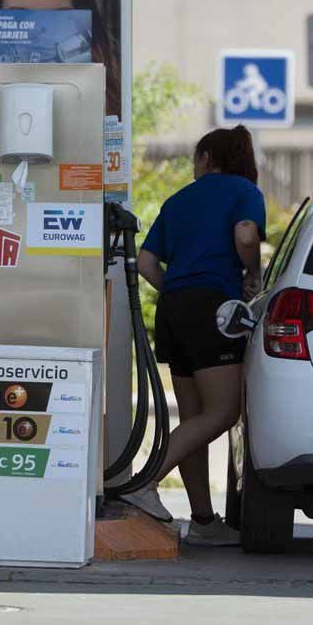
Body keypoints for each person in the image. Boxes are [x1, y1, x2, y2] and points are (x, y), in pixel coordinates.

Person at [123, 126, 265, 546]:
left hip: (172, 307)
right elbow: (245, 235)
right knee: (223, 412)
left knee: (194, 418)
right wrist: (253, 274)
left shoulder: (179, 199)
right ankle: (143, 484)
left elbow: (146, 263)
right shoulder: (245, 191)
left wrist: (179, 291)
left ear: (206, 158)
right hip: (213, 307)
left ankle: (203, 522)